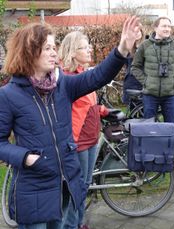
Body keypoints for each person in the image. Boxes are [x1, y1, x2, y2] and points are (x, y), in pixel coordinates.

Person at [0, 16, 140, 229]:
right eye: (47, 48)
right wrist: (25, 157)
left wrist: (122, 49)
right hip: (34, 187)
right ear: (28, 52)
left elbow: (98, 77)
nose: (54, 52)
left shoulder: (62, 84)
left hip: (65, 181)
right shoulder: (9, 95)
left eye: (54, 47)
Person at [58, 31, 110, 229]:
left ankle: (79, 222)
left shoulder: (83, 74)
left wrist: (103, 110)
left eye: (88, 45)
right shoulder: (67, 78)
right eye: (83, 46)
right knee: (75, 188)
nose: (89, 49)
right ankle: (69, 225)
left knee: (84, 185)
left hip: (91, 139)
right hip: (77, 142)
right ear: (72, 52)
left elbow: (87, 106)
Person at [131, 16, 174, 124]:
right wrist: (146, 81)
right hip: (150, 95)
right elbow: (135, 67)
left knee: (171, 127)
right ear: (156, 28)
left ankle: (170, 142)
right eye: (164, 26)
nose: (167, 29)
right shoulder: (145, 45)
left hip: (169, 96)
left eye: (169, 26)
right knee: (149, 127)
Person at [122, 28, 144, 107]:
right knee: (132, 110)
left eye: (139, 31)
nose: (137, 33)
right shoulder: (129, 48)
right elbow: (126, 64)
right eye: (134, 32)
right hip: (130, 82)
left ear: (142, 33)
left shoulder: (147, 46)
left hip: (142, 82)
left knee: (143, 110)